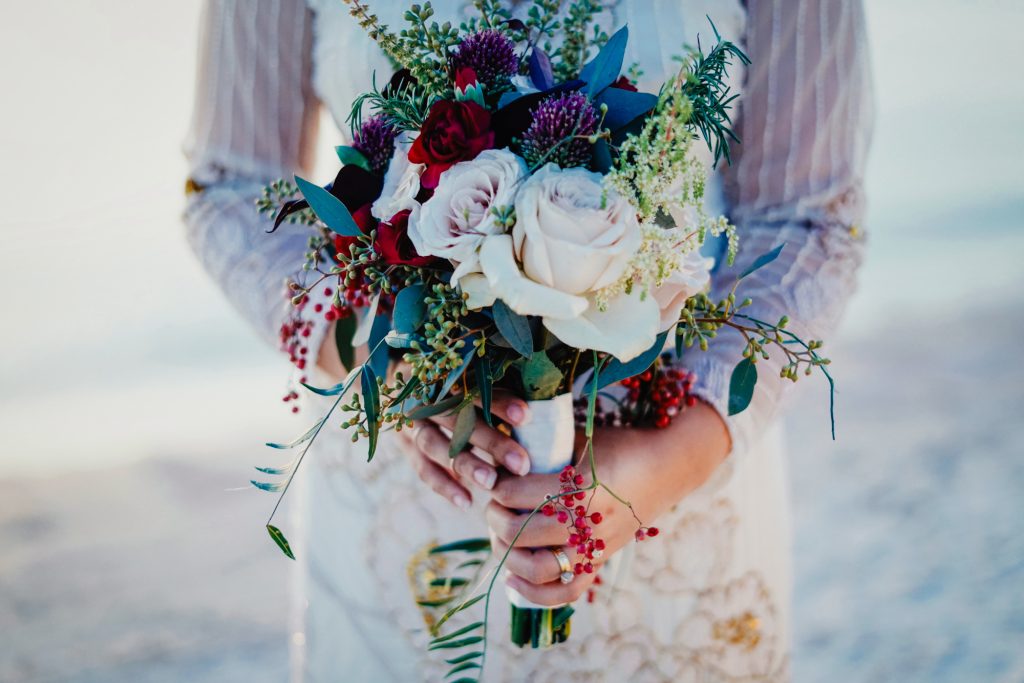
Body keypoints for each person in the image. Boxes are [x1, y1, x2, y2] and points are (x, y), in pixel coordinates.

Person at [184, 1, 872, 680]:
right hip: (406, 491)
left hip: (677, 472)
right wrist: (391, 369)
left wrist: (667, 459)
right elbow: (232, 188)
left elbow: (806, 222)